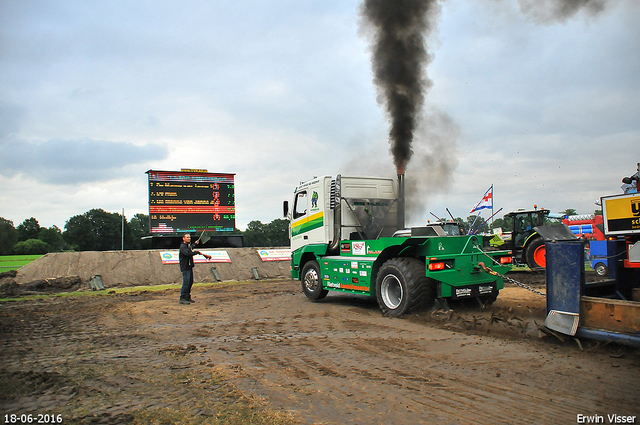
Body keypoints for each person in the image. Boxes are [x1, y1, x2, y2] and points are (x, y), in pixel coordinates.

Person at [179, 233, 211, 304]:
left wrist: (195, 244)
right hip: (185, 267)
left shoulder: (187, 246)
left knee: (190, 282)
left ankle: (187, 296)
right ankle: (182, 297)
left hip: (189, 266)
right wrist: (197, 252)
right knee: (186, 282)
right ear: (183, 238)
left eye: (189, 237)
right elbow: (188, 253)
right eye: (187, 237)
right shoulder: (183, 246)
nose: (189, 238)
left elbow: (190, 248)